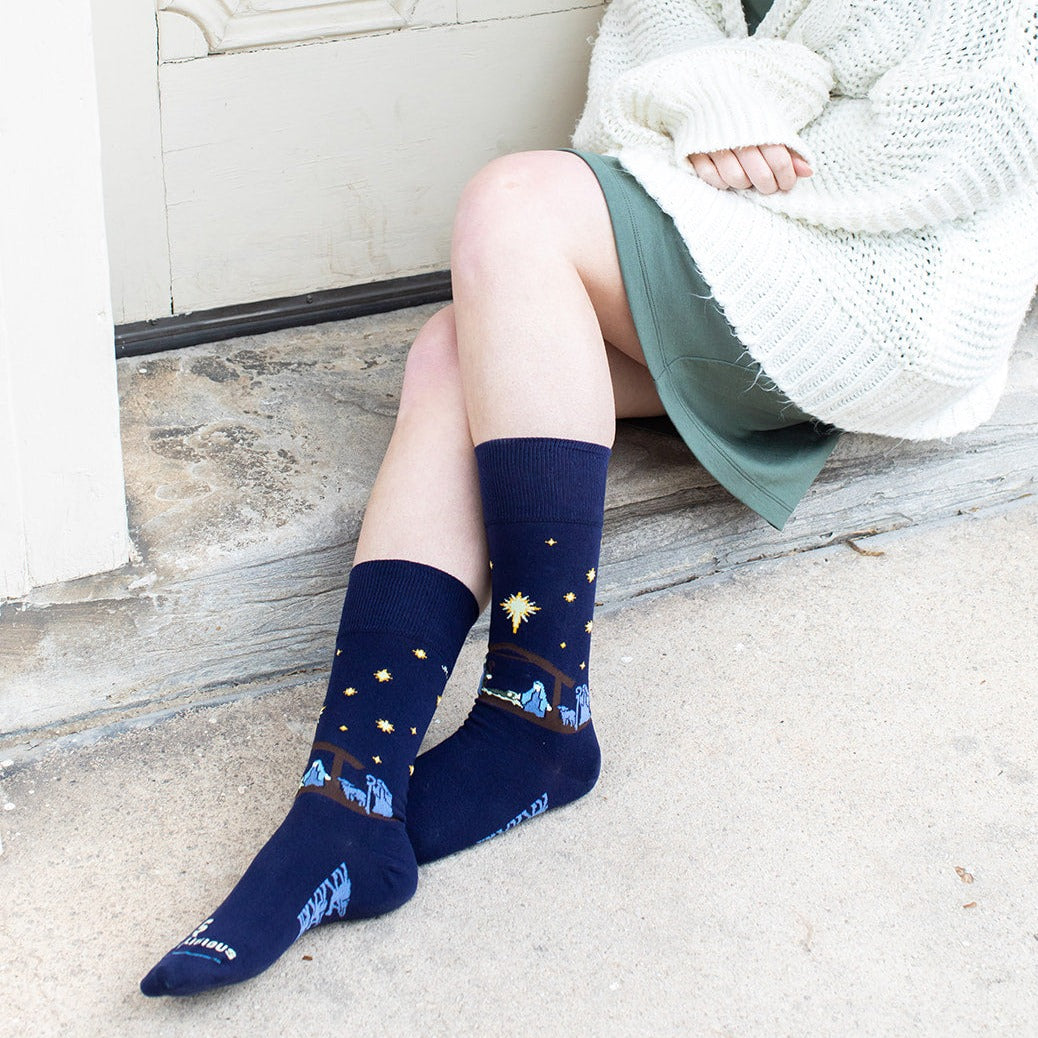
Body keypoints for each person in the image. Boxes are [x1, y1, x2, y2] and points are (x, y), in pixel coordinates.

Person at [140, 0, 1038, 996]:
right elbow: (640, 79)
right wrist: (715, 98)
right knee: (454, 352)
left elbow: (974, 140)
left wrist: (745, 126)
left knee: (516, 202)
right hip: (733, 243)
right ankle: (346, 798)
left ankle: (540, 707)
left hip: (878, 280)